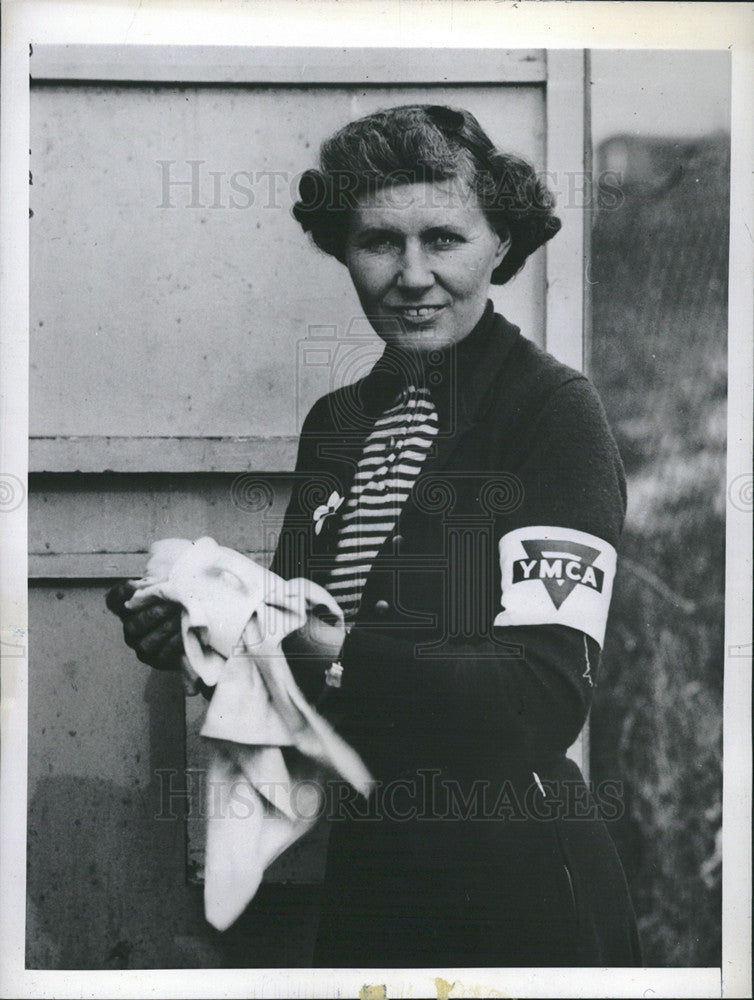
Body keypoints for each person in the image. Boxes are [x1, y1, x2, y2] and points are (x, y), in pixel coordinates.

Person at [107, 104, 641, 967]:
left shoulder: (551, 414)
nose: (413, 275)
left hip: (515, 888)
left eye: (445, 239)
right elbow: (296, 661)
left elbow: (546, 692)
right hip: (373, 882)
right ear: (340, 249)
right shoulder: (339, 424)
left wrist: (343, 652)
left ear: (500, 242)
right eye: (379, 243)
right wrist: (210, 633)